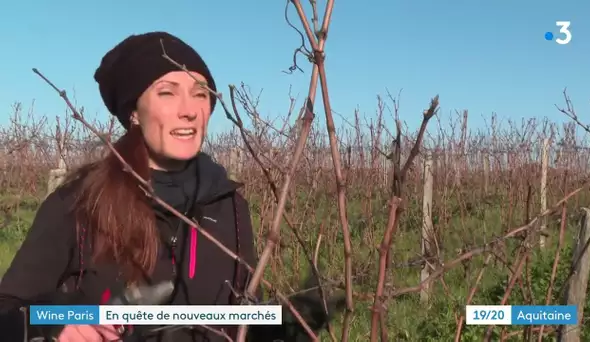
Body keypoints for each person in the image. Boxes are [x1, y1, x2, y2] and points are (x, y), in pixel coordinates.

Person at [0, 32, 342, 342]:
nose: (189, 111)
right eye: (167, 93)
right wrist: (62, 322)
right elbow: (7, 311)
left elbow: (231, 322)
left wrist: (286, 321)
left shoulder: (231, 206)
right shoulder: (80, 202)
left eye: (200, 94)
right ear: (134, 111)